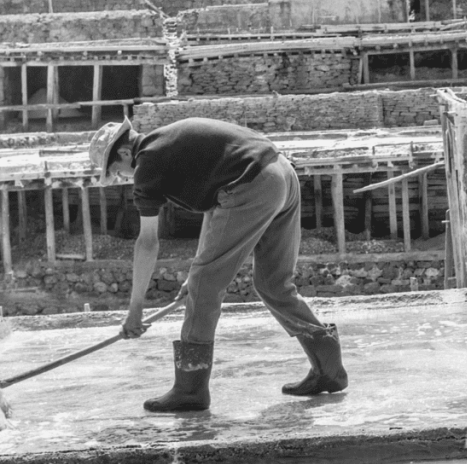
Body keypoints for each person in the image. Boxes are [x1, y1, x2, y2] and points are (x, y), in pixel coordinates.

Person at [88, 116, 348, 413]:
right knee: (273, 284)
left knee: (205, 288)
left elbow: (147, 242)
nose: (121, 178)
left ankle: (190, 390)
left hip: (253, 186)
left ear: (124, 153)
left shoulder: (147, 166)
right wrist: (196, 271)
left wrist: (135, 311)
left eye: (117, 172)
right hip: (282, 175)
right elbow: (214, 206)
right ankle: (330, 370)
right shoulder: (167, 141)